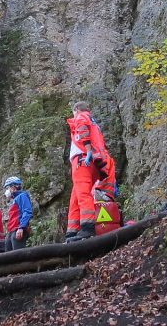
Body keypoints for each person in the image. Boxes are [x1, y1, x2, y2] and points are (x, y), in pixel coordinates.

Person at [65, 101, 111, 242]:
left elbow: (82, 130)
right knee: (76, 197)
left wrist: (88, 150)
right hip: (92, 163)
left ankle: (87, 227)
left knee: (83, 194)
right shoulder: (94, 123)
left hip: (82, 160)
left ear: (76, 109)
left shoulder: (81, 116)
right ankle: (72, 231)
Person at [3, 176, 33, 250]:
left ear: (13, 187)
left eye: (7, 188)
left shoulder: (22, 196)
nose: (7, 190)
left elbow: (27, 211)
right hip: (11, 231)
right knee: (8, 253)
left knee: (18, 254)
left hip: (18, 229)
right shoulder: (15, 200)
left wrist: (21, 227)